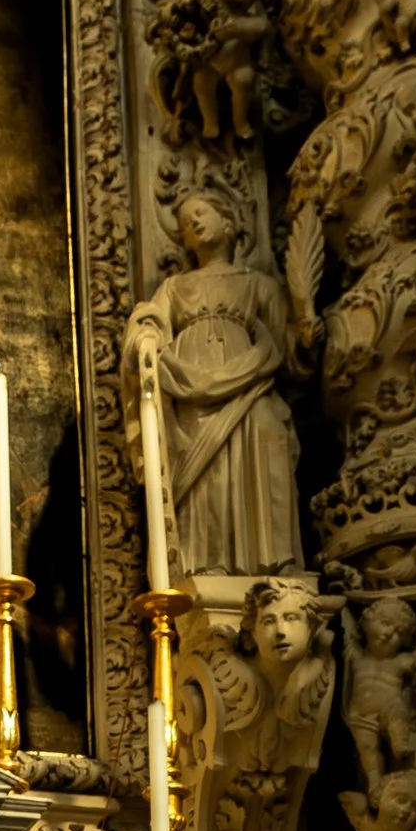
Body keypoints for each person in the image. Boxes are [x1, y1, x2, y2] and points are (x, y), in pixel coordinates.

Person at [121, 191, 300, 578]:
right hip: (189, 381)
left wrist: (305, 317)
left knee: (269, 434)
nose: (195, 223)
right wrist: (146, 336)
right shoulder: (174, 287)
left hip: (251, 379)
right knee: (210, 474)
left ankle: (273, 560)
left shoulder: (258, 285)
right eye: (186, 223)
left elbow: (289, 349)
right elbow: (150, 319)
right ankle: (207, 563)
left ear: (229, 220)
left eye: (201, 213)